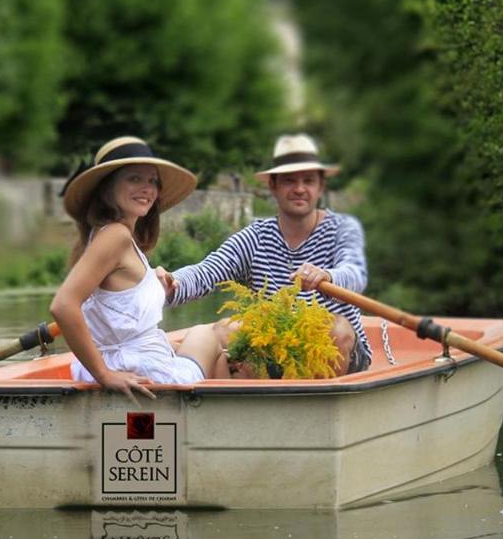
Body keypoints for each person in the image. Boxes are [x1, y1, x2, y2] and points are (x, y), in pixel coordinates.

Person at [159, 134, 371, 374]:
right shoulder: (255, 237)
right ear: (273, 186)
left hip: (340, 352)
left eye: (308, 181)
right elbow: (207, 271)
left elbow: (355, 274)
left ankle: (317, 407)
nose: (300, 189)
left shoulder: (343, 228)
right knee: (221, 330)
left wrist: (328, 277)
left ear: (320, 186)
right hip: (275, 350)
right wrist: (170, 283)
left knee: (337, 330)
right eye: (289, 181)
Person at [50, 136, 229, 402]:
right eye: (134, 178)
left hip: (134, 361)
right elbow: (63, 306)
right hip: (135, 369)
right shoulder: (116, 236)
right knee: (212, 333)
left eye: (152, 181)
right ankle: (217, 431)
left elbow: (117, 314)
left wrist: (153, 284)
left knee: (205, 348)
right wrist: (104, 375)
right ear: (107, 187)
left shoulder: (109, 238)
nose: (147, 188)